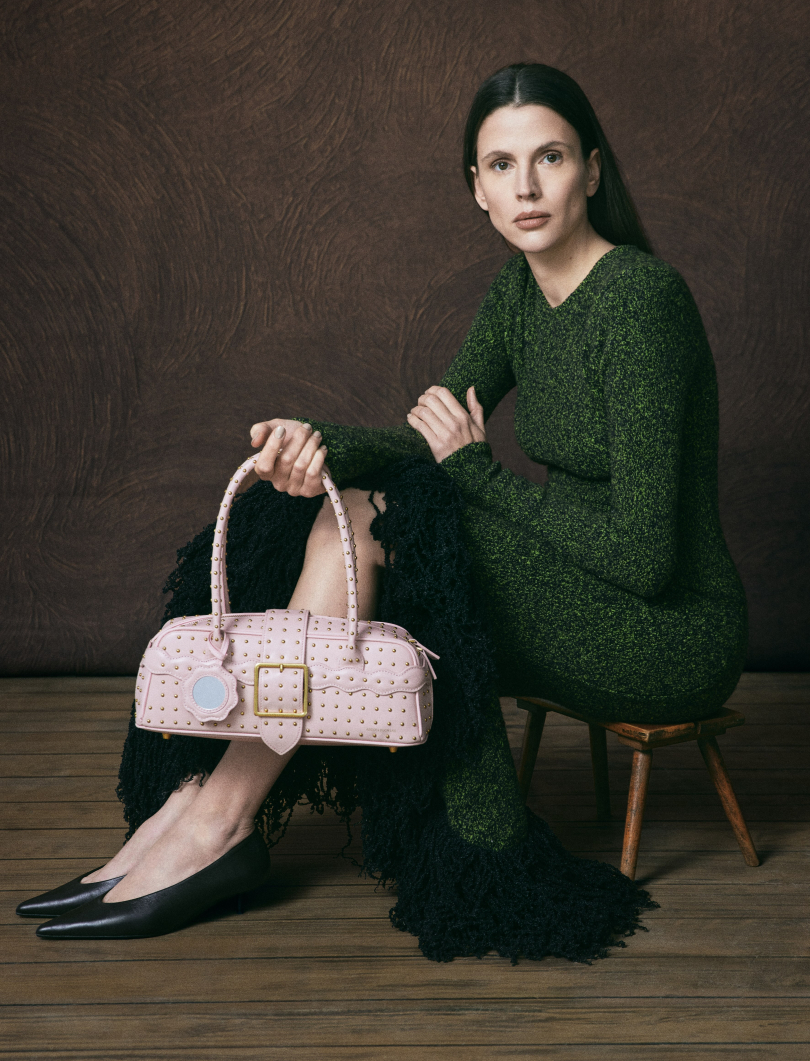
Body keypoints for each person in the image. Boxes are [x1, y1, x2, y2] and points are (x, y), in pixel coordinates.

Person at [19, 63, 746, 958]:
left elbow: (644, 556)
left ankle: (214, 818)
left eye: (550, 158)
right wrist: (313, 442)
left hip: (664, 630)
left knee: (394, 522)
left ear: (592, 170)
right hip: (572, 589)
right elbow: (420, 440)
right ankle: (199, 811)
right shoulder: (519, 294)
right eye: (502, 165)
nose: (526, 187)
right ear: (476, 188)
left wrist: (476, 473)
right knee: (355, 509)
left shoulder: (640, 302)